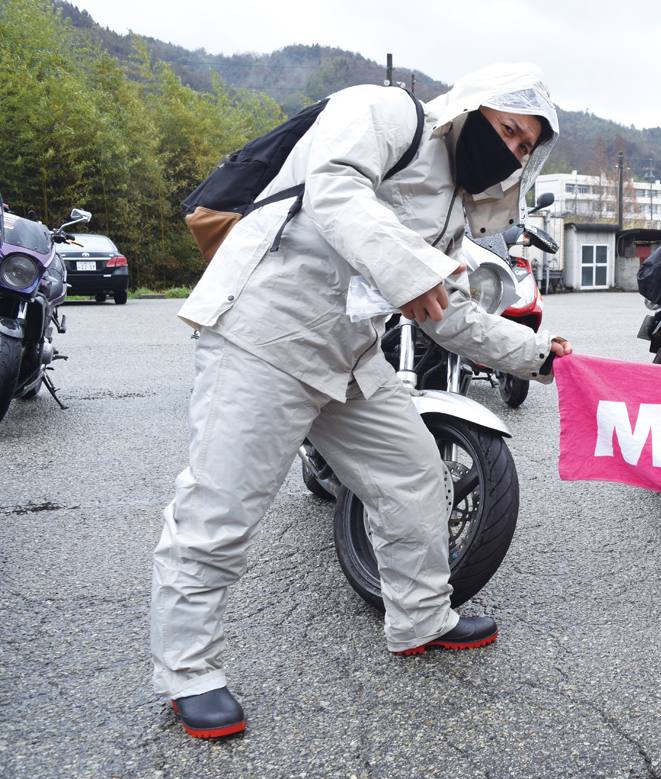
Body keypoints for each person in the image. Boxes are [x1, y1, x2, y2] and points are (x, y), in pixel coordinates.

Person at [153, 63, 572, 739]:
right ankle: (189, 673)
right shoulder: (384, 112)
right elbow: (335, 189)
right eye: (508, 131)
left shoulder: (454, 208)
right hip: (267, 332)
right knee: (220, 505)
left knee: (413, 473)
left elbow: (448, 312)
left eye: (525, 147)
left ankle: (420, 616)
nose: (513, 150)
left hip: (349, 354)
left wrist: (538, 355)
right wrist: (408, 269)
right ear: (471, 110)